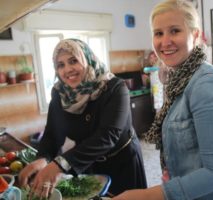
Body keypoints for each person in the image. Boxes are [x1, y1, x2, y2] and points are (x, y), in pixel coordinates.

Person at [113, 0, 213, 199]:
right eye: (158, 33)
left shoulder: (207, 86)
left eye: (174, 31)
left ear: (196, 34)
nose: (165, 42)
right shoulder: (178, 79)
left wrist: (148, 195)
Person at [18, 38, 147, 198]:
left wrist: (60, 164)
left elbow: (107, 136)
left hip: (122, 162)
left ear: (87, 59)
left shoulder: (115, 88)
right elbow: (52, 134)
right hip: (86, 163)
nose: (68, 69)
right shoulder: (60, 93)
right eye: (61, 65)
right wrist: (43, 158)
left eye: (73, 61)